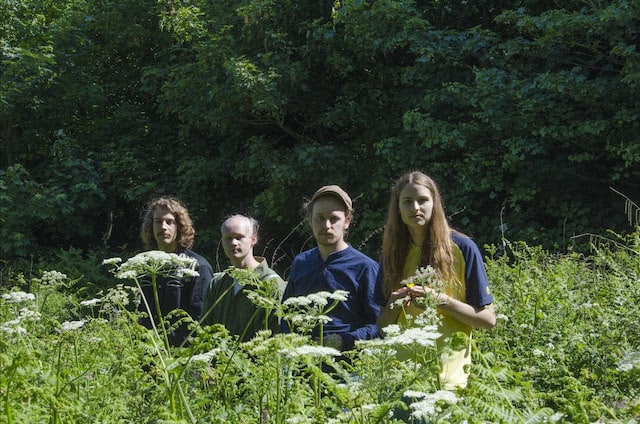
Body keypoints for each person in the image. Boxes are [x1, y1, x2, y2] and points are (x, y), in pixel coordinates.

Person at [377, 171, 496, 389]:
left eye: (422, 200)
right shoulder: (391, 253)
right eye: (407, 202)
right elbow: (383, 328)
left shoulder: (462, 248)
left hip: (446, 378)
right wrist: (394, 305)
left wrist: (442, 301)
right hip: (400, 378)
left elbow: (488, 321)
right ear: (398, 208)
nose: (415, 208)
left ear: (435, 204)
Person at [281, 185, 384, 351]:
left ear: (347, 221)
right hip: (302, 361)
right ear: (310, 220)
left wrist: (343, 341)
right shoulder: (301, 263)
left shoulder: (365, 267)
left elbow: (380, 325)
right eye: (320, 218)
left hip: (349, 362)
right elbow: (286, 315)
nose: (327, 225)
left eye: (334, 218)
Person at [139, 196, 214, 346]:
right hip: (149, 349)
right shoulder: (147, 265)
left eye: (169, 222)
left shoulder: (197, 266)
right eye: (158, 222)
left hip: (182, 352)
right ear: (151, 226)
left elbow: (201, 317)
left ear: (179, 226)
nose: (163, 227)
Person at [201, 214, 286, 340]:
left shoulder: (271, 284)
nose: (233, 243)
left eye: (239, 237)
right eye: (228, 238)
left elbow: (278, 335)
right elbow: (204, 332)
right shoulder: (217, 284)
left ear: (253, 239)